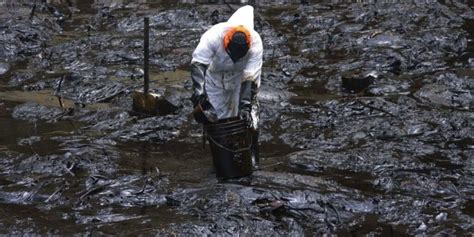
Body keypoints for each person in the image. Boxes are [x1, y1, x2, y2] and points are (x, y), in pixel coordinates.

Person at [190, 5, 263, 167]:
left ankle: (248, 158)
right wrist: (199, 92)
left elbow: (250, 77)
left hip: (239, 81)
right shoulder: (213, 36)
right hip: (215, 79)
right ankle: (223, 159)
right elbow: (198, 64)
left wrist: (245, 105)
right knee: (217, 119)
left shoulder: (256, 44)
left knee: (246, 119)